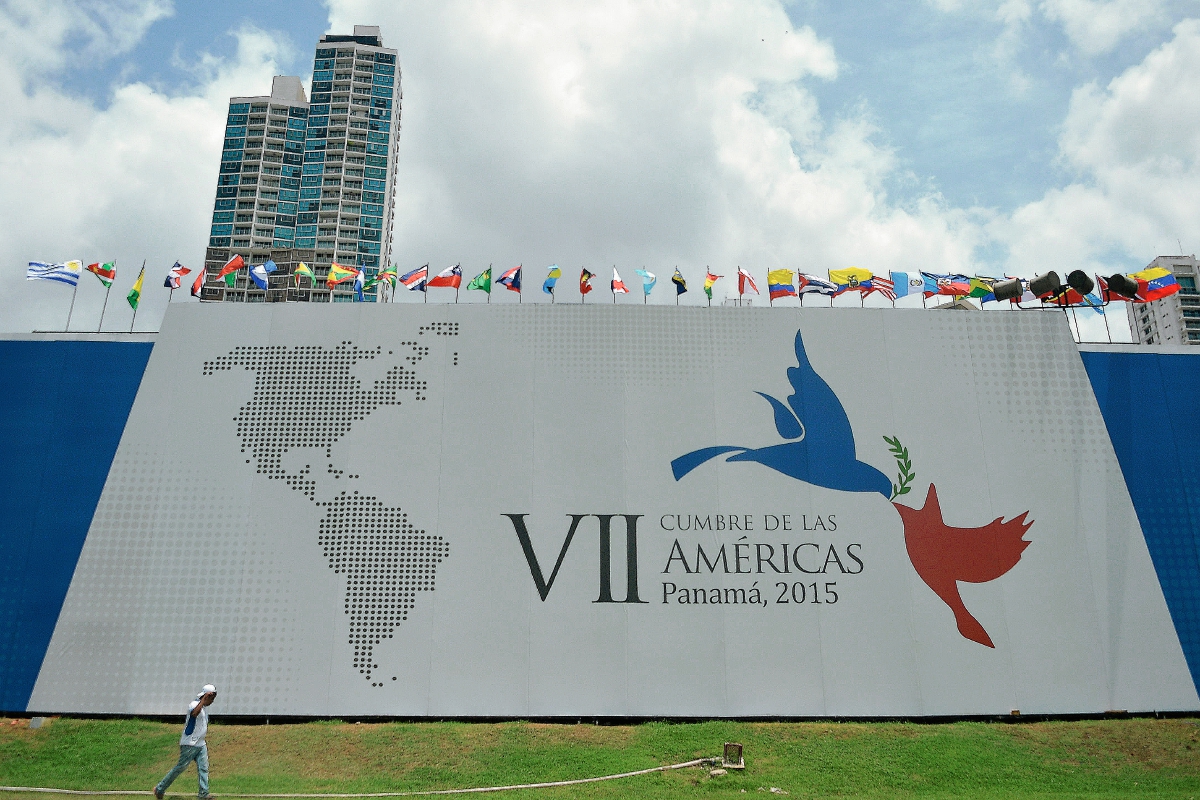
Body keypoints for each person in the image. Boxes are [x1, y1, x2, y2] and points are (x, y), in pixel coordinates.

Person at [153, 685, 217, 799]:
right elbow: (194, 714)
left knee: (203, 768)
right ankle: (159, 788)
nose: (212, 701)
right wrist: (203, 700)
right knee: (180, 767)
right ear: (205, 696)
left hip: (200, 743)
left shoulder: (203, 708)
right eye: (211, 698)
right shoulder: (194, 704)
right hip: (190, 744)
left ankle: (203, 794)